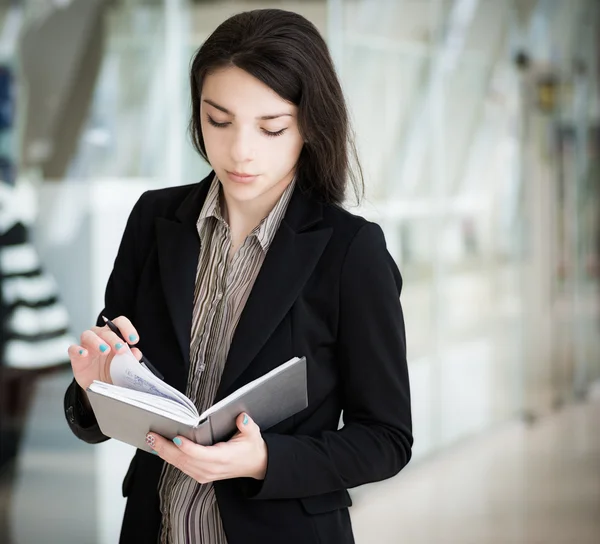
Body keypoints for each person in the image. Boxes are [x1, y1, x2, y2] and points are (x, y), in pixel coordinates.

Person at [64, 8, 412, 544]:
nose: (240, 151)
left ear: (310, 125)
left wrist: (264, 460)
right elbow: (100, 409)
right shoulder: (154, 220)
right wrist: (94, 388)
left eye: (272, 127)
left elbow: (387, 438)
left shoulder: (351, 252)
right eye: (218, 121)